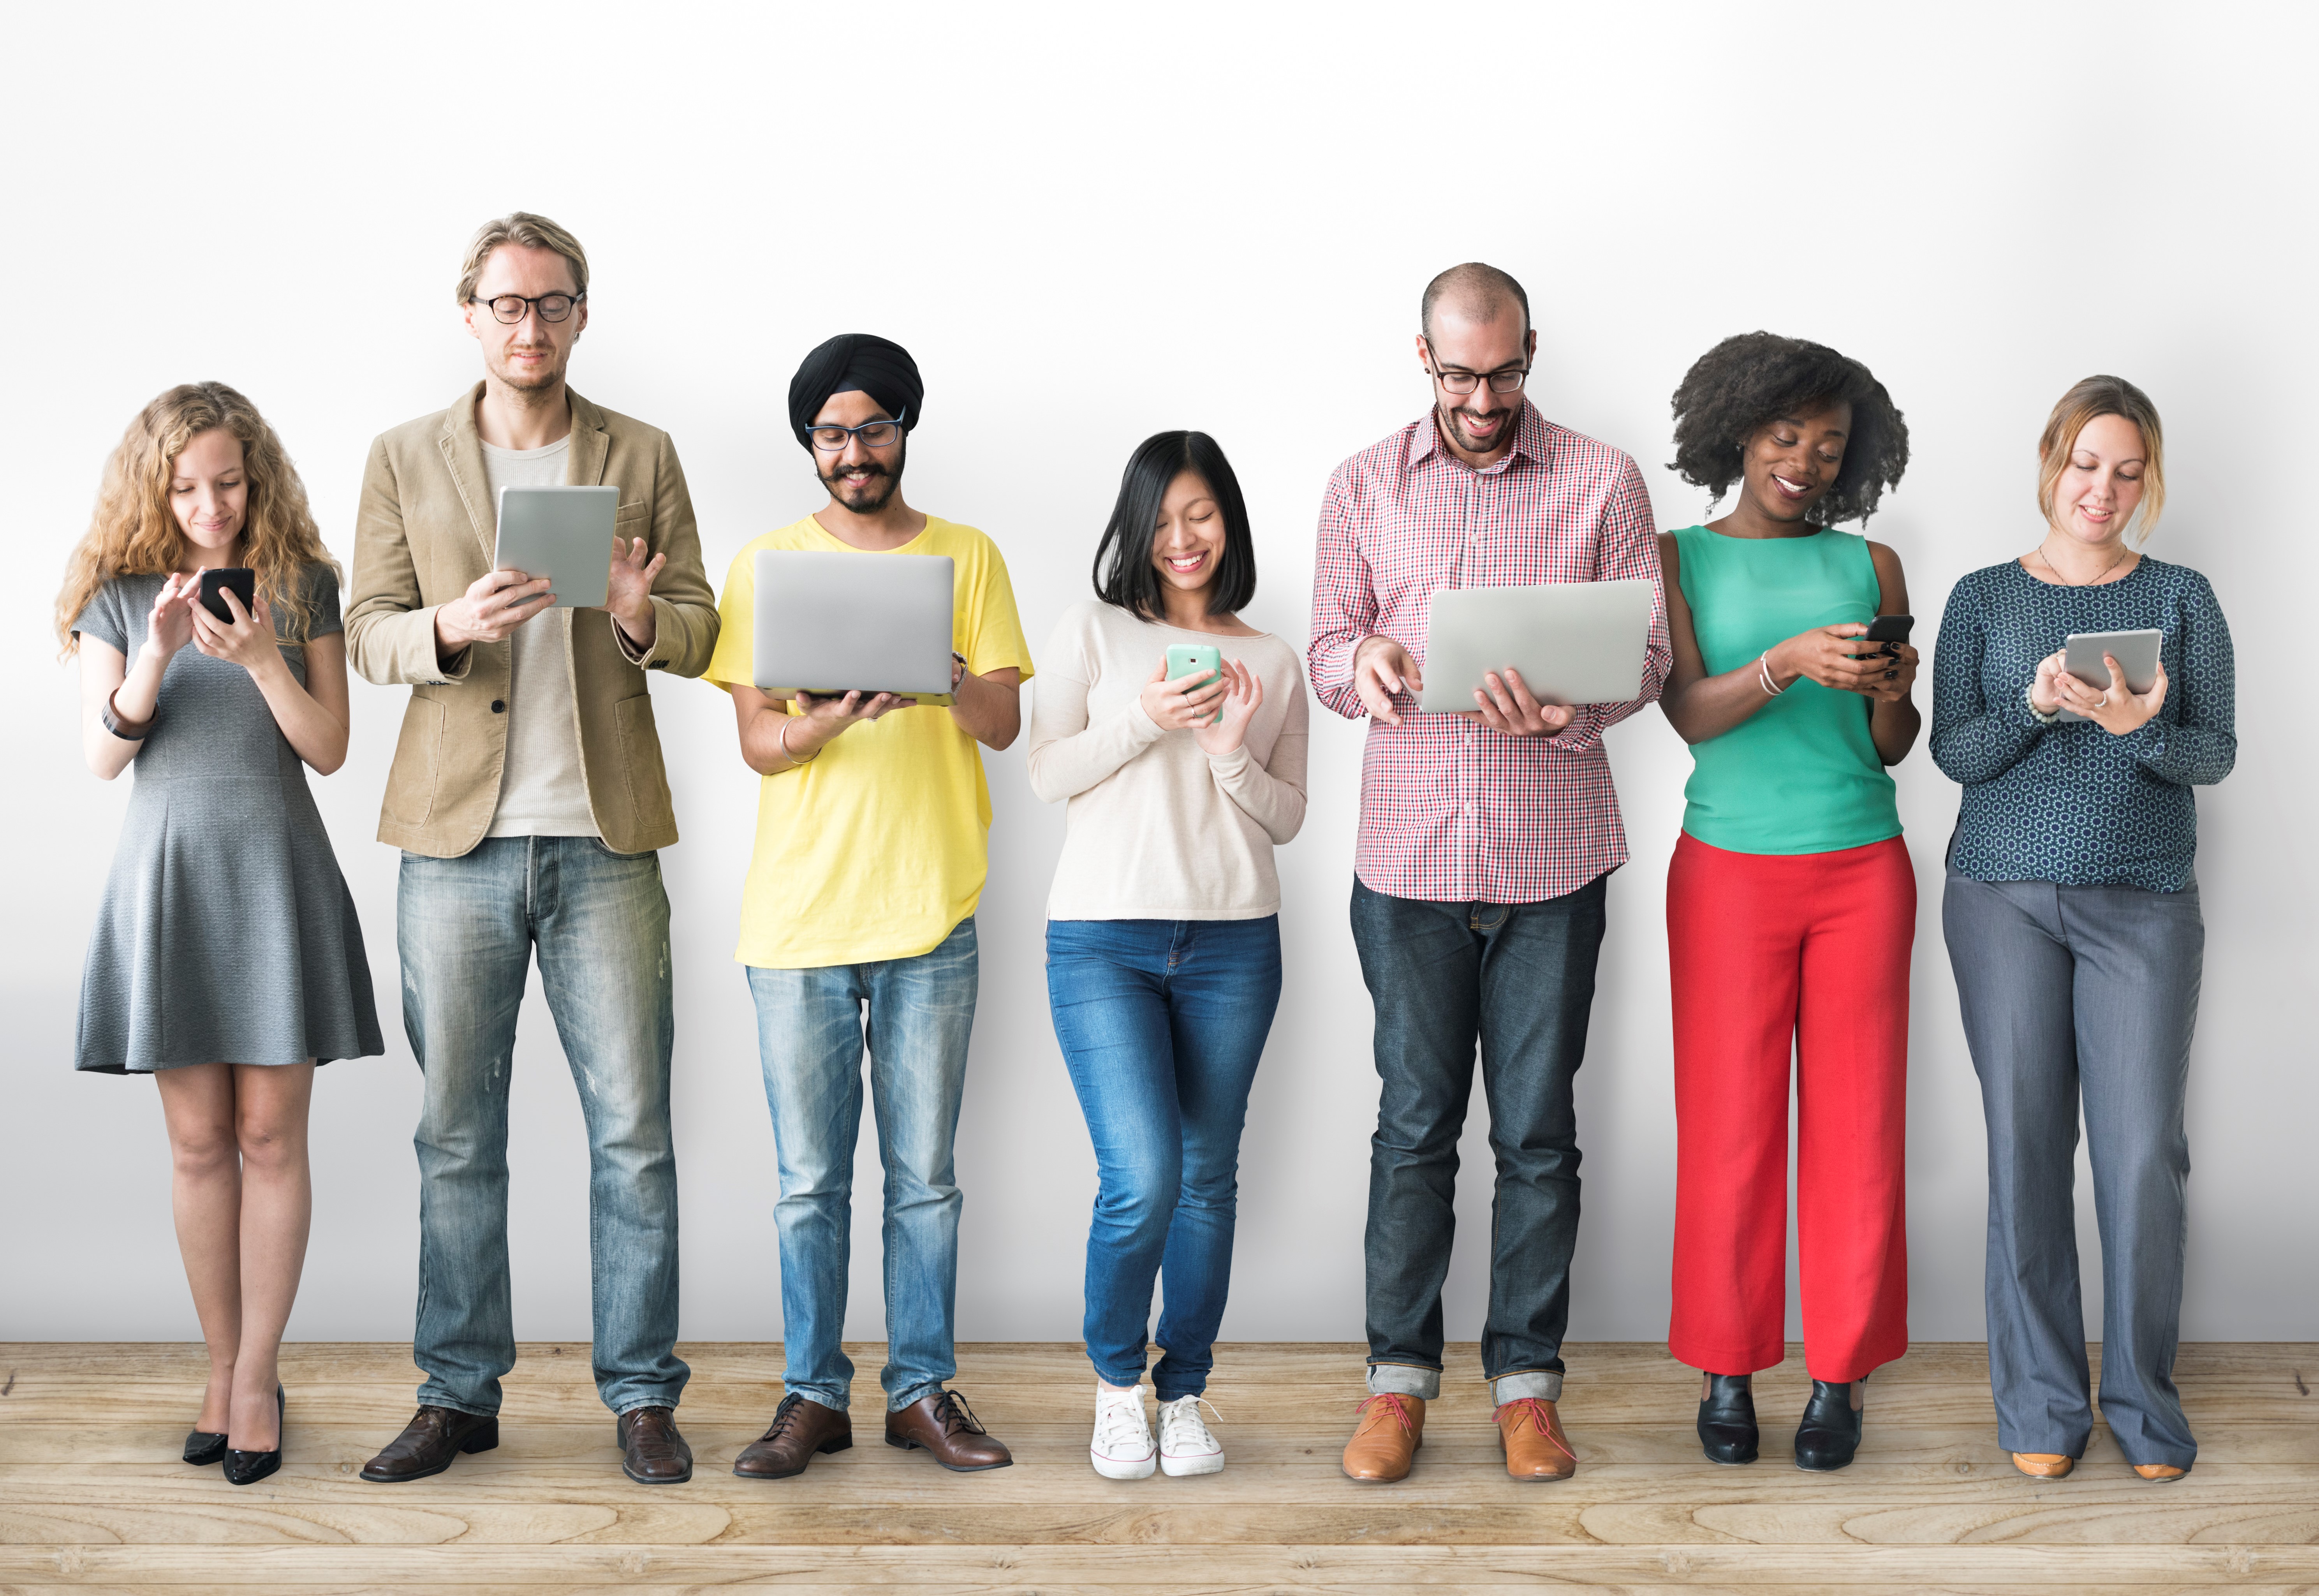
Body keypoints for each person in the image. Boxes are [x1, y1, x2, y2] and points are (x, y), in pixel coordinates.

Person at [344, 212, 719, 1486]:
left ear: (579, 316)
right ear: (471, 316)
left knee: (634, 1131)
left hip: (604, 839)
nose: (529, 325)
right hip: (454, 842)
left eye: (552, 304)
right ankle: (458, 1392)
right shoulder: (404, 456)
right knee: (456, 1131)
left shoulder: (642, 452)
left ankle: (642, 1394)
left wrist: (632, 619)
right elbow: (365, 631)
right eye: (507, 305)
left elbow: (699, 623)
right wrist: (447, 623)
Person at [1309, 264, 1671, 1485]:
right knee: (1412, 1131)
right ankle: (1395, 1387)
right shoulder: (1360, 483)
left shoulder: (1602, 478)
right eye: (1459, 374)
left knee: (1535, 1134)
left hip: (1552, 858)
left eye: (1503, 372)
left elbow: (1650, 658)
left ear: (1531, 354)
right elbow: (1322, 644)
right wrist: (1359, 659)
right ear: (1422, 358)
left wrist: (1570, 712)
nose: (1481, 397)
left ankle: (1526, 1387)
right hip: (1407, 857)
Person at [705, 333, 1034, 1480]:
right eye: (833, 434)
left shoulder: (968, 557)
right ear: (810, 445)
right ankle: (810, 1395)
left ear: (905, 430)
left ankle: (920, 1390)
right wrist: (833, 716)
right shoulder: (765, 568)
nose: (855, 452)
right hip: (797, 922)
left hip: (931, 911)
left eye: (874, 428)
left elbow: (1002, 723)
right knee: (808, 1182)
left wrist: (940, 675)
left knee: (925, 1177)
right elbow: (758, 743)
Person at [59, 382, 384, 1487]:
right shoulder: (116, 594)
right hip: (171, 885)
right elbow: (105, 758)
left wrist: (256, 658)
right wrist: (154, 652)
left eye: (229, 483)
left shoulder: (301, 587)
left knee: (270, 1138)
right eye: (188, 486)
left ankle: (257, 1376)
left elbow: (329, 748)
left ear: (259, 480)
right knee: (198, 1143)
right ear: (157, 487)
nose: (210, 505)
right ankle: (218, 1366)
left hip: (274, 878)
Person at [1932, 376, 2234, 1484]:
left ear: (2145, 481)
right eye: (2083, 462)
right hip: (1999, 898)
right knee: (2022, 1148)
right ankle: (2042, 1399)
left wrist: (2145, 727)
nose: (2100, 487)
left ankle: (2144, 1403)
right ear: (2050, 461)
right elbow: (1954, 756)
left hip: (2144, 903)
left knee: (2140, 1153)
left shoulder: (2183, 598)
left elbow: (2216, 753)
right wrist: (2036, 704)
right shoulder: (1979, 596)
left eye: (2125, 468)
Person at [1654, 332, 1918, 1473]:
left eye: (1827, 444)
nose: (1804, 460)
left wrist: (1892, 692)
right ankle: (1726, 1365)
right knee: (1729, 1129)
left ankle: (1838, 1376)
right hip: (1726, 870)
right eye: (1782, 434)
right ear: (1735, 431)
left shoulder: (1875, 567)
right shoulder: (1677, 557)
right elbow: (1686, 713)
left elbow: (1891, 747)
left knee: (1859, 1134)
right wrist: (1785, 661)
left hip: (1862, 866)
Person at [1027, 431, 1309, 1480]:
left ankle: (1182, 1391)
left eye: (1199, 514)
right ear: (1135, 530)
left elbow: (1286, 819)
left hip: (1235, 940)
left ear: (1226, 520)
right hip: (1102, 938)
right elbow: (1047, 772)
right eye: (1162, 518)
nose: (1182, 537)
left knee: (1205, 1183)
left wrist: (1229, 750)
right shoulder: (1093, 630)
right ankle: (1116, 1388)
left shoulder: (1273, 658)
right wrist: (1147, 719)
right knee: (1141, 1177)